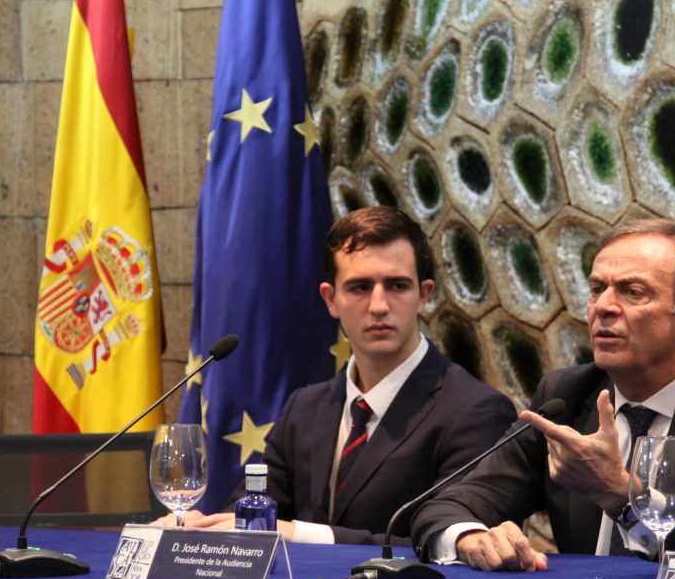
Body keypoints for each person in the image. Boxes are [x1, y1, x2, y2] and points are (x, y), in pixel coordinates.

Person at [409, 218, 675, 571]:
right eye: (597, 289)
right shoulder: (564, 397)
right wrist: (469, 538)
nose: (604, 307)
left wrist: (620, 493)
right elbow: (446, 506)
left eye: (633, 292)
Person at [163, 206, 516, 545]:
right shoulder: (304, 408)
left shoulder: (477, 412)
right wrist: (197, 529)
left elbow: (451, 546)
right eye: (360, 287)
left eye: (397, 286)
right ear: (331, 299)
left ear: (423, 295)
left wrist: (299, 534)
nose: (379, 306)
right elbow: (254, 513)